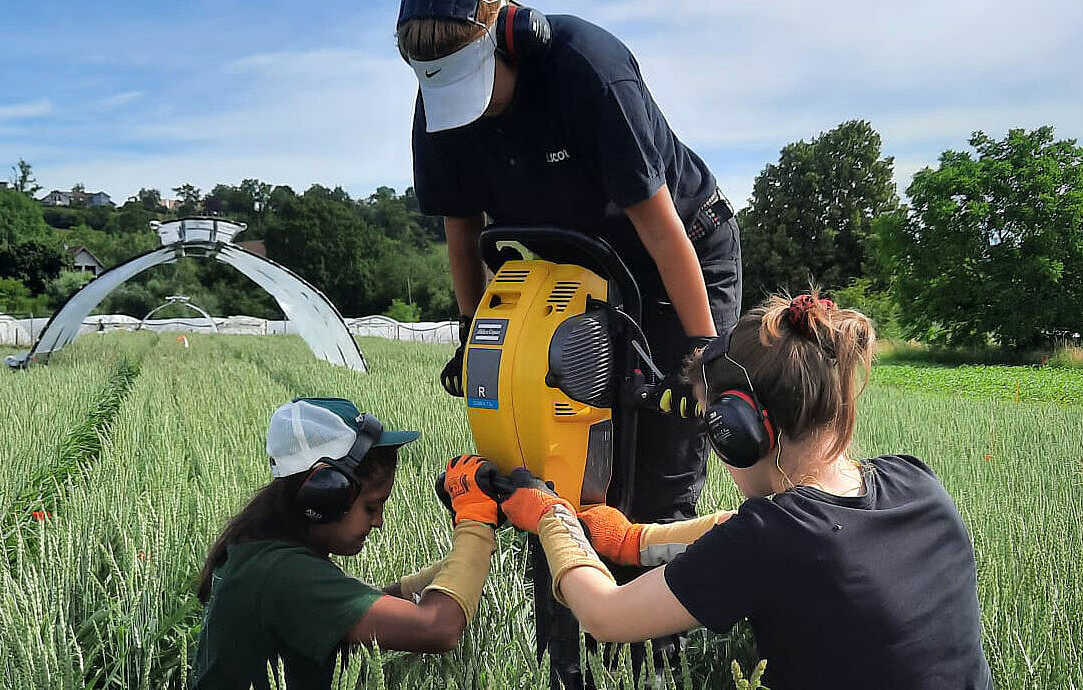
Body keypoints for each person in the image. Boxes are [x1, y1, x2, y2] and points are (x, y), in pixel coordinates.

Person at [396, 1, 742, 680]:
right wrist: (476, 340)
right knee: (548, 477)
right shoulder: (439, 103)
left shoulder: (588, 69)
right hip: (565, 272)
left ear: (506, 35)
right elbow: (463, 240)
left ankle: (651, 667)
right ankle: (573, 665)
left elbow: (662, 228)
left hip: (673, 264)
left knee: (655, 479)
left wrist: (703, 353)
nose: (472, 114)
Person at [497, 293, 994, 689]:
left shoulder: (770, 538)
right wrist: (623, 538)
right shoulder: (916, 480)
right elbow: (760, 535)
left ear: (744, 432)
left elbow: (604, 616)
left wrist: (550, 515)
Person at [192, 397, 502, 689]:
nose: (379, 521)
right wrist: (476, 520)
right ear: (327, 494)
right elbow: (438, 628)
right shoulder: (285, 574)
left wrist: (473, 552)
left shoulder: (261, 554)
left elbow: (366, 608)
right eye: (372, 506)